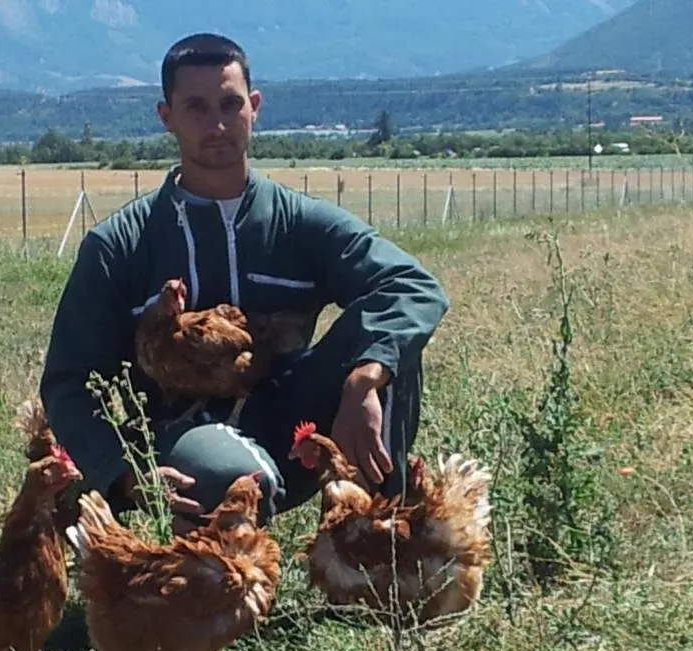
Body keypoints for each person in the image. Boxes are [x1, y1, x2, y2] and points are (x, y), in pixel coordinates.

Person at [39, 32, 449, 534]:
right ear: (165, 116)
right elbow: (68, 381)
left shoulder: (297, 222)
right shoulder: (122, 244)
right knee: (227, 473)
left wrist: (365, 378)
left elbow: (412, 287)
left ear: (254, 108)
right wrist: (123, 473)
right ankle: (214, 576)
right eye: (196, 107)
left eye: (230, 104)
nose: (217, 124)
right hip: (182, 436)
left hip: (294, 422)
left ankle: (382, 546)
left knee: (388, 342)